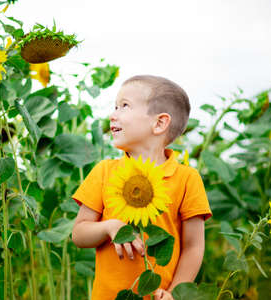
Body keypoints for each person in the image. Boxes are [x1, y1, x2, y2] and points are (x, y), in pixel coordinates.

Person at [72, 75, 212, 300]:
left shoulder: (187, 179)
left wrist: (174, 293)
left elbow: (193, 247)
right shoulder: (104, 171)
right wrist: (109, 227)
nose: (113, 114)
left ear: (159, 123)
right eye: (115, 106)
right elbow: (79, 234)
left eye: (124, 106)